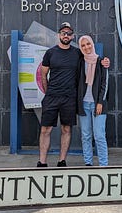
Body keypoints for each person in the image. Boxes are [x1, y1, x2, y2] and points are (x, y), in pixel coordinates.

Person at [38, 22, 109, 167]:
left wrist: (105, 61)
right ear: (59, 35)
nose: (66, 35)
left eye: (69, 33)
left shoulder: (77, 53)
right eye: (63, 32)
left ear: (72, 36)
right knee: (46, 129)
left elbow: (92, 59)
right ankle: (42, 162)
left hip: (70, 98)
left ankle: (62, 161)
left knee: (67, 129)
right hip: (52, 97)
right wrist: (48, 92)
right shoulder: (50, 53)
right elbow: (43, 74)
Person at [77, 35, 109, 166]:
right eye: (83, 45)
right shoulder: (80, 62)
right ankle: (88, 163)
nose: (86, 47)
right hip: (84, 104)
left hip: (98, 104)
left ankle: (103, 164)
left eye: (88, 44)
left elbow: (104, 84)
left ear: (92, 44)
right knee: (86, 136)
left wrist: (100, 102)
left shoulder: (101, 61)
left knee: (99, 136)